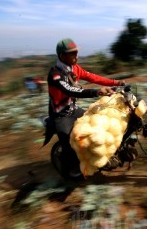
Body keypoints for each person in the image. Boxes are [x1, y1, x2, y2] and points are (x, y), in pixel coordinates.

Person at [47, 38, 124, 178]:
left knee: (97, 127)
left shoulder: (75, 69)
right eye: (72, 53)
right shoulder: (55, 75)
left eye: (76, 52)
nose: (76, 56)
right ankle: (68, 172)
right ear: (62, 56)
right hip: (61, 115)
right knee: (69, 144)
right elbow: (71, 90)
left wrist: (115, 82)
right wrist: (96, 92)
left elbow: (92, 77)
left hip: (74, 109)